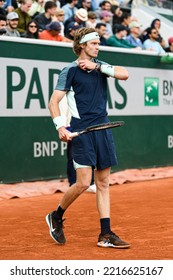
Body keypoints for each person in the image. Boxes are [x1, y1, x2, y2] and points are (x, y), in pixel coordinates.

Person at [46, 27, 130, 249]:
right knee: (83, 182)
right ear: (82, 45)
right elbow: (53, 102)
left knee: (103, 182)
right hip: (82, 131)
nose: (97, 46)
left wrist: (98, 66)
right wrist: (60, 127)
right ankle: (56, 215)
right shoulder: (70, 71)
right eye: (93, 43)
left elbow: (124, 74)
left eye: (98, 42)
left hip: (103, 128)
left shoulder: (101, 67)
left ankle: (105, 234)